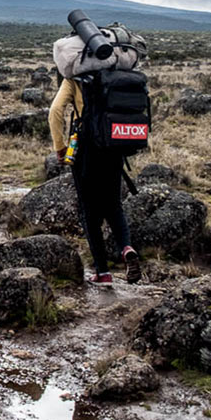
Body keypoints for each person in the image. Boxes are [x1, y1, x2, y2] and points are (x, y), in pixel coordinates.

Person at [48, 73, 140, 285]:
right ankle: (126, 247)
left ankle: (102, 271)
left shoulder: (74, 79)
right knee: (114, 205)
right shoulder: (115, 74)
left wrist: (60, 146)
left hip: (87, 148)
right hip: (114, 145)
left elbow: (55, 112)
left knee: (89, 211)